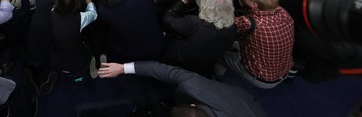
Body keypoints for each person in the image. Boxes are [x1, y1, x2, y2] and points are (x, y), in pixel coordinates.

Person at [98, 61, 267, 117]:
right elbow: (163, 70)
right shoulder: (195, 85)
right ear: (193, 106)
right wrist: (123, 68)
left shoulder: (195, 89)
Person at [223, 0, 294, 89]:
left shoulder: (249, 23)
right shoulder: (283, 12)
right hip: (284, 70)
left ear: (254, 5)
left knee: (219, 46)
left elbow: (224, 22)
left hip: (263, 78)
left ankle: (218, 70)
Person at [161, 0, 237, 75]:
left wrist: (183, 1)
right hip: (203, 68)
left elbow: (168, 19)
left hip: (179, 63)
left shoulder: (194, 23)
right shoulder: (233, 29)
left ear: (208, 8)